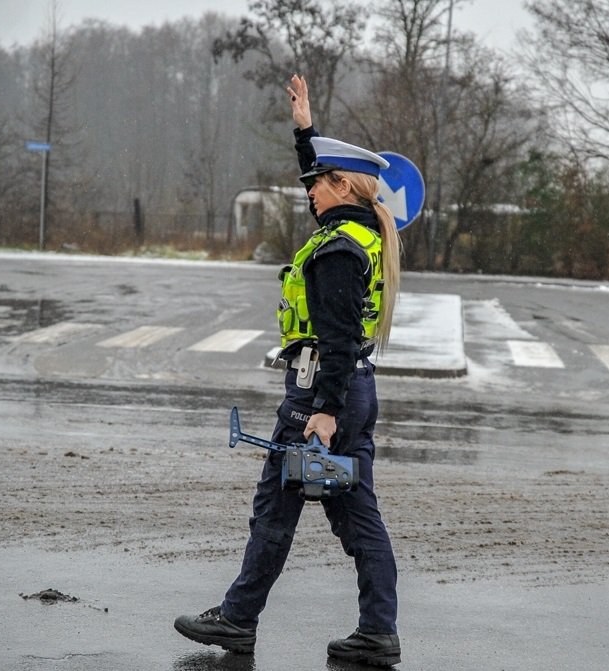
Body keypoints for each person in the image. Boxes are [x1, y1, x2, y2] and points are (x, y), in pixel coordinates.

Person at [173, 74, 403, 667]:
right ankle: (376, 631)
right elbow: (328, 180)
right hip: (352, 391)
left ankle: (238, 620)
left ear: (342, 186)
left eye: (316, 184)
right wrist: (305, 129)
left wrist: (323, 411)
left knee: (276, 508)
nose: (308, 193)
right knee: (357, 515)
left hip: (322, 396)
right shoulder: (357, 232)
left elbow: (338, 337)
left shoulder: (336, 252)